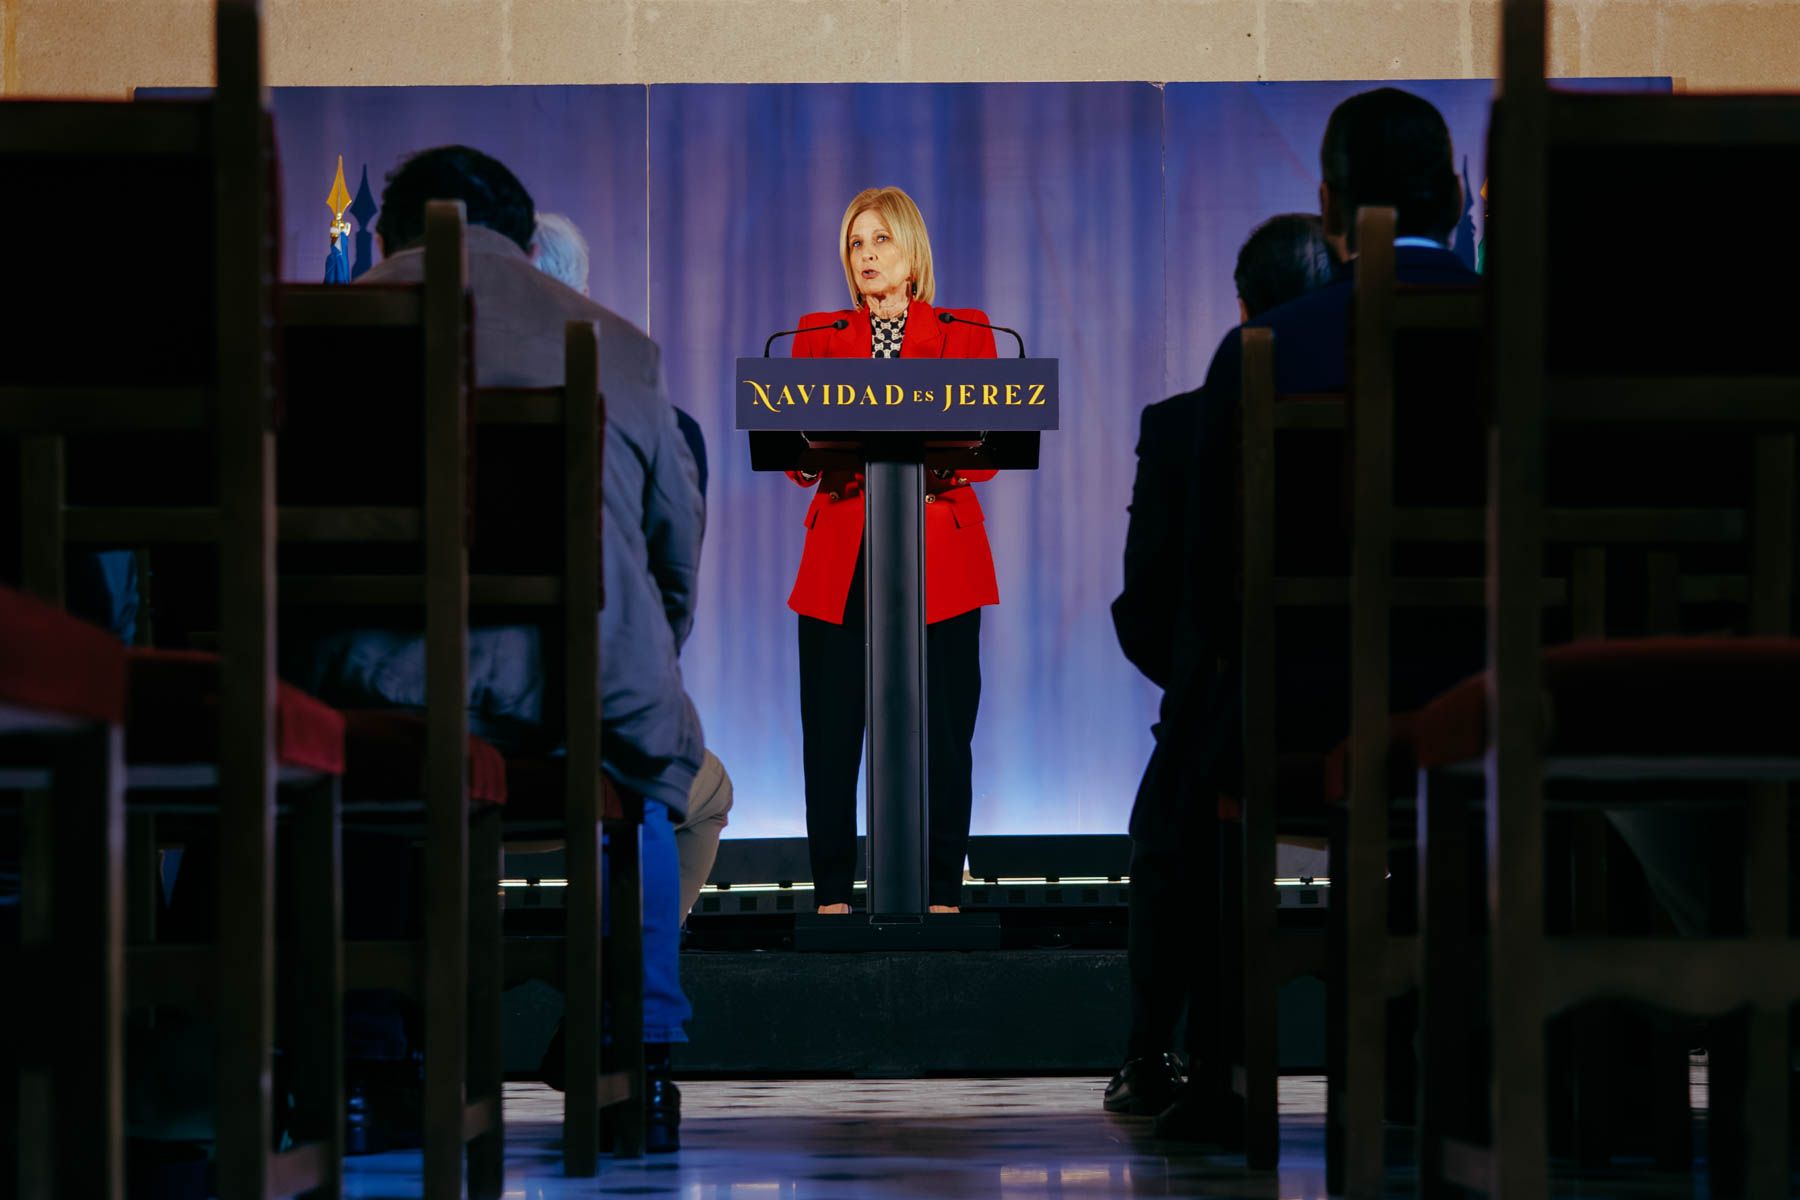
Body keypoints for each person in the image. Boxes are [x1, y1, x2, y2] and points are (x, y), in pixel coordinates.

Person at [301, 145, 704, 1152]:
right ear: (525, 241)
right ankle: (635, 1055)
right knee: (647, 774)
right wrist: (636, 663)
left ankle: (365, 1064)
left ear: (385, 235)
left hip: (366, 686)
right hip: (569, 695)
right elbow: (673, 555)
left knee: (356, 755)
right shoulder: (619, 347)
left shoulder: (314, 335)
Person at [1109, 90, 1477, 1139]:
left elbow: (1212, 589)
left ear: (1328, 206)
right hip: (1496, 707)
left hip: (1307, 714)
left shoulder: (1266, 350)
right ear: (1457, 199)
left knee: (1197, 761)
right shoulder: (1530, 335)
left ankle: (1221, 1074)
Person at [1106, 211, 1335, 1123]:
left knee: (1171, 811)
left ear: (1242, 308)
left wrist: (1205, 689)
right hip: (1396, 709)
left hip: (1237, 710)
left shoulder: (1180, 424)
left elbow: (1148, 608)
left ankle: (1156, 1051)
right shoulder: (1403, 396)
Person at [786, 185, 999, 915]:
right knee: (831, 733)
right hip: (841, 558)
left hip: (941, 557)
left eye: (881, 240)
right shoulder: (817, 336)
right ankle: (832, 893)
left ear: (913, 252)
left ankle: (941, 890)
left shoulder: (967, 331)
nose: (867, 255)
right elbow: (795, 456)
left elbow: (986, 452)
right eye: (856, 243)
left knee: (945, 733)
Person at [526, 208, 731, 921]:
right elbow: (672, 606)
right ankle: (628, 978)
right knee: (705, 792)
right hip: (592, 740)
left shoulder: (430, 400)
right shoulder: (659, 422)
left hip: (428, 740)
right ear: (582, 295)